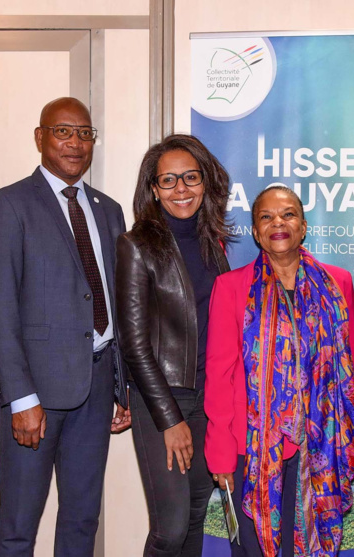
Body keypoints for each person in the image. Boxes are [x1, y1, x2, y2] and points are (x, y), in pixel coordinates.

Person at [0, 96, 130, 557]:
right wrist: (21, 397)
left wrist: (121, 386)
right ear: (40, 138)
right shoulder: (8, 205)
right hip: (36, 394)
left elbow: (116, 302)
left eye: (85, 133)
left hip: (98, 382)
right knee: (19, 524)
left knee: (83, 519)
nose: (76, 143)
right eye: (64, 131)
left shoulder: (109, 209)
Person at [205, 186, 354, 557]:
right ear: (255, 231)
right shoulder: (231, 287)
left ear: (304, 225)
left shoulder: (337, 282)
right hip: (253, 446)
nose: (278, 222)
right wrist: (220, 453)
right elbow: (219, 374)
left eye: (288, 214)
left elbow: (352, 364)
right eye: (266, 216)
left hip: (321, 442)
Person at [116, 135, 232, 556]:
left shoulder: (213, 243)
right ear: (153, 188)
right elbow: (134, 344)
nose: (181, 189)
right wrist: (169, 419)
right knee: (170, 527)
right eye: (168, 180)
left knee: (198, 512)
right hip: (162, 402)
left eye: (190, 178)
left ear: (206, 182)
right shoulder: (137, 245)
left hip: (209, 400)